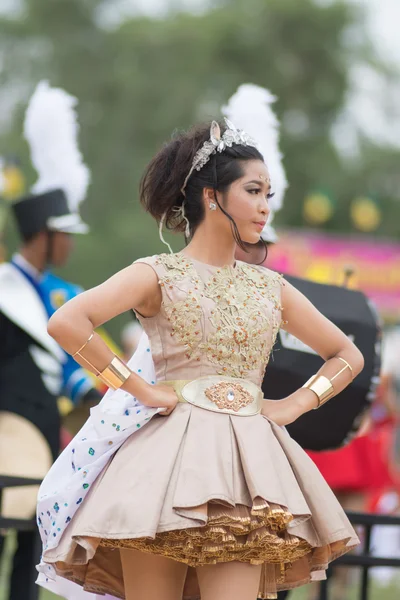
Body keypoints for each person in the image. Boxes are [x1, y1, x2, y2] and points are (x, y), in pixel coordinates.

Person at [38, 118, 364, 600]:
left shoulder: (270, 286)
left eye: (268, 194)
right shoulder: (158, 273)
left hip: (250, 467)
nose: (264, 206)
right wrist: (139, 388)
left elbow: (347, 354)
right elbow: (67, 321)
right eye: (253, 190)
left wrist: (295, 405)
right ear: (212, 197)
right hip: (161, 465)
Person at [0, 81, 100, 600]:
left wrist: (94, 391)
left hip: (45, 427)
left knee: (33, 542)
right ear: (44, 234)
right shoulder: (4, 290)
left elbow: (70, 361)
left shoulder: (65, 293)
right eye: (66, 233)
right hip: (3, 426)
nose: (70, 243)